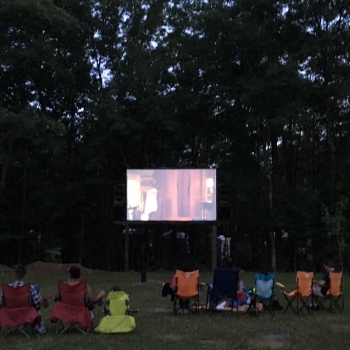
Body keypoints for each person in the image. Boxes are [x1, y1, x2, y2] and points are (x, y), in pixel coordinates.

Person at [0, 265, 47, 333]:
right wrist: (43, 299)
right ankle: (35, 327)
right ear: (25, 275)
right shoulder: (29, 288)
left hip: (10, 315)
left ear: (15, 274)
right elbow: (38, 302)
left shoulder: (7, 288)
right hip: (26, 314)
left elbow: (1, 303)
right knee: (36, 288)